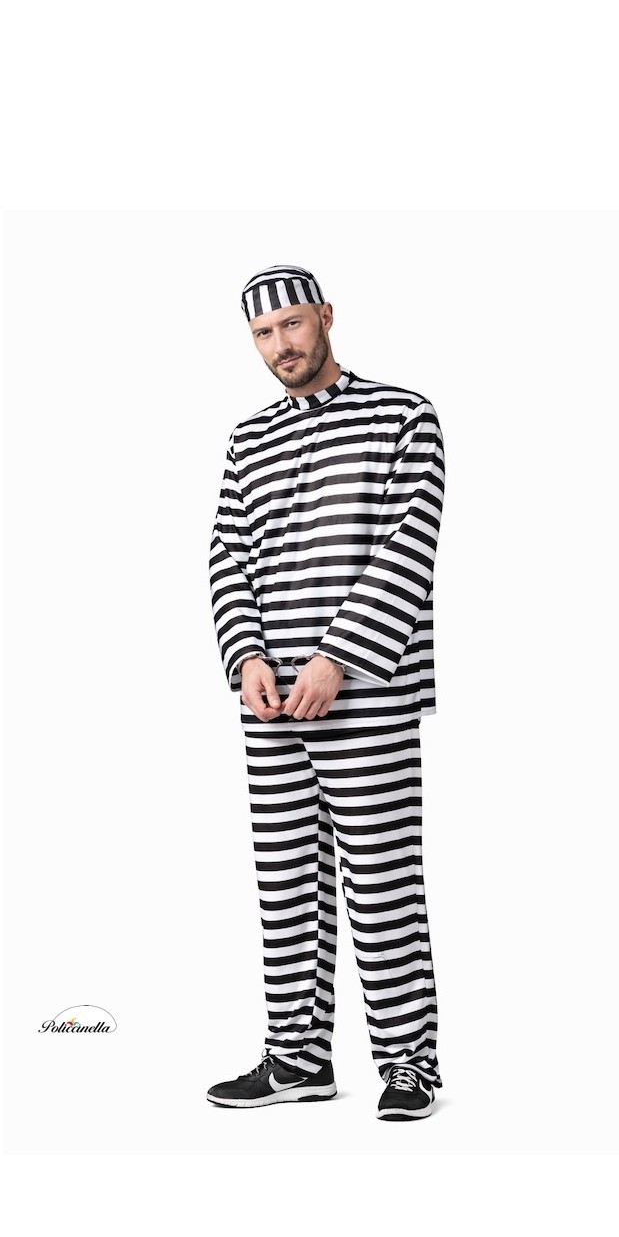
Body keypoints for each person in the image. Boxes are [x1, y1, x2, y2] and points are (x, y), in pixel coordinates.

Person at [207, 264, 446, 1121]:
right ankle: (298, 1060)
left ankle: (409, 1064)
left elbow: (409, 545)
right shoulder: (247, 441)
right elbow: (227, 554)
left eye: (292, 325)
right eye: (264, 334)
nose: (281, 345)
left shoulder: (404, 416)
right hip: (270, 703)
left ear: (326, 317)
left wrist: (337, 658)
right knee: (285, 887)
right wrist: (246, 657)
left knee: (383, 882)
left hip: (367, 694)